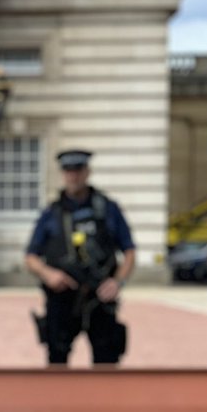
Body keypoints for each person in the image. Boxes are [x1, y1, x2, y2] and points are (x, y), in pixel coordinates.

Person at [25, 149, 135, 365]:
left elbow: (129, 251)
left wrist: (117, 282)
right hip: (62, 297)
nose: (73, 176)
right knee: (57, 360)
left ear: (87, 172)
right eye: (68, 171)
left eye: (78, 170)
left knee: (107, 361)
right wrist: (48, 274)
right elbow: (31, 256)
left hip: (100, 298)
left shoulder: (108, 209)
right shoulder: (51, 213)